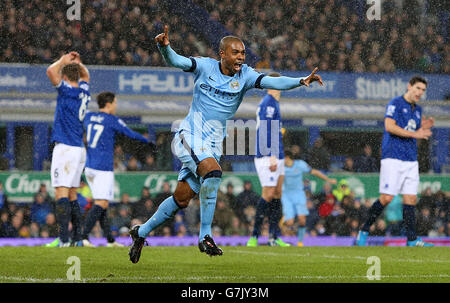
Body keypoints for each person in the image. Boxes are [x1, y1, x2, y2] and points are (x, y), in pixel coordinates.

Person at [128, 25, 323, 263]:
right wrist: (164, 47)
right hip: (189, 135)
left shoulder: (246, 75)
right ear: (222, 54)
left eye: (242, 52)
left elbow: (274, 82)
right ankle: (205, 236)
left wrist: (301, 81)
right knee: (213, 172)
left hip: (212, 144)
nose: (241, 56)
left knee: (181, 198)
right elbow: (177, 62)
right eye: (235, 52)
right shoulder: (205, 66)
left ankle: (140, 232)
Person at [356, 76, 435, 247]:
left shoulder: (418, 109)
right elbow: (389, 126)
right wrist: (416, 134)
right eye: (418, 88)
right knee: (387, 198)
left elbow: (412, 129)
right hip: (393, 158)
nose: (420, 93)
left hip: (410, 160)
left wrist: (424, 127)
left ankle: (412, 239)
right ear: (409, 86)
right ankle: (364, 229)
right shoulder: (395, 103)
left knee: (411, 199)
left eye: (423, 90)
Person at [81, 92, 150, 247]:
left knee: (103, 204)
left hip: (90, 166)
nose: (116, 106)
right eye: (115, 103)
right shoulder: (111, 120)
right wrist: (147, 141)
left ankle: (110, 240)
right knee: (101, 202)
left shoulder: (89, 116)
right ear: (109, 104)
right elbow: (129, 133)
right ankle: (83, 235)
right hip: (102, 167)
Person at [45, 51, 90, 247]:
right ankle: (77, 238)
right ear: (78, 76)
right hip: (79, 150)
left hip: (65, 148)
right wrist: (78, 64)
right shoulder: (84, 91)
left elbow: (50, 71)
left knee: (61, 194)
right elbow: (86, 76)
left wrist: (64, 60)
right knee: (72, 194)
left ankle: (63, 239)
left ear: (64, 76)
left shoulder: (66, 90)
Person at [247, 73, 290, 247]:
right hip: (267, 156)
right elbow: (265, 129)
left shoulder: (274, 103)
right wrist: (271, 154)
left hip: (277, 155)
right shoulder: (268, 103)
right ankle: (255, 236)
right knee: (268, 194)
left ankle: (274, 236)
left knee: (278, 193)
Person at [281, 150, 337, 246]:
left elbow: (314, 172)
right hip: (286, 195)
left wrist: (328, 179)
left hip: (299, 194)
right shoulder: (280, 167)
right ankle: (279, 233)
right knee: (289, 222)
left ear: (287, 157)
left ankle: (300, 242)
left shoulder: (300, 164)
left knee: (302, 220)